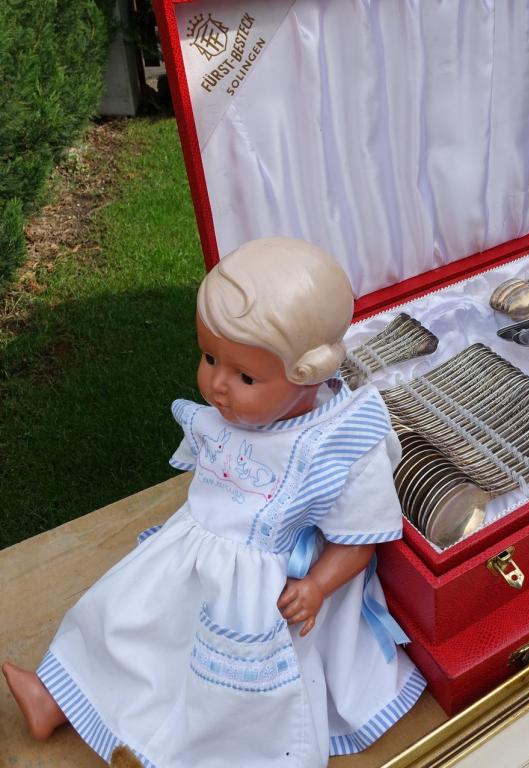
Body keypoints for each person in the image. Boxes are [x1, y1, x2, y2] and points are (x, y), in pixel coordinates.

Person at [3, 237, 425, 768]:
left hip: (262, 587)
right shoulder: (230, 415)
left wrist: (317, 586)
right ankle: (56, 698)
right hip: (189, 552)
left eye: (245, 376)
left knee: (229, 691)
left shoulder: (338, 442)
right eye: (208, 358)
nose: (217, 385)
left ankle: (192, 753)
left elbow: (358, 541)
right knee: (122, 616)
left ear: (310, 374)